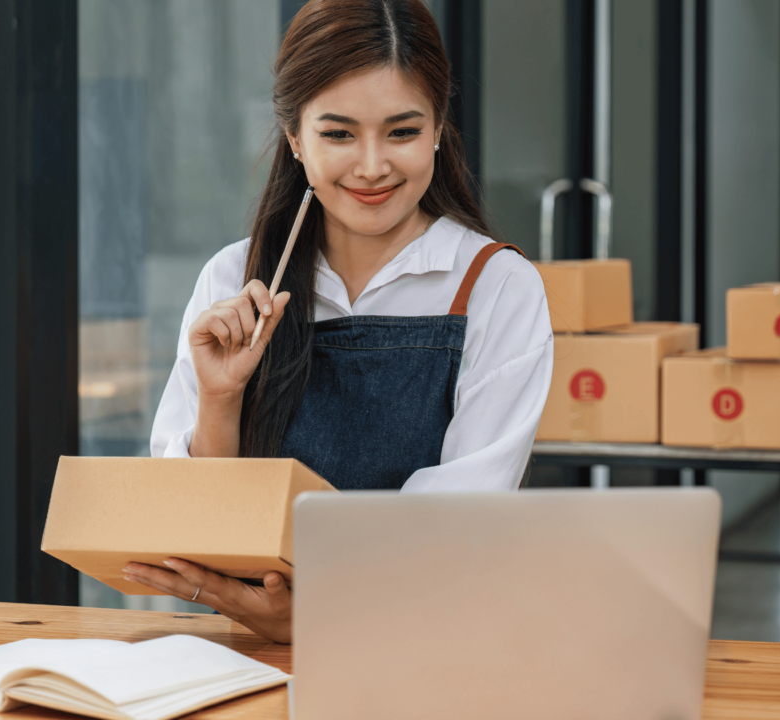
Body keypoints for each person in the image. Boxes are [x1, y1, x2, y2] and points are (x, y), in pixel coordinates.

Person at [125, 0, 553, 643]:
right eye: (339, 133)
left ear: (439, 129)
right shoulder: (233, 280)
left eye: (403, 132)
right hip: (251, 653)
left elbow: (462, 517)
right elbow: (190, 522)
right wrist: (220, 394)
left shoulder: (497, 288)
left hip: (432, 646)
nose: (373, 165)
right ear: (295, 137)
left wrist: (323, 612)